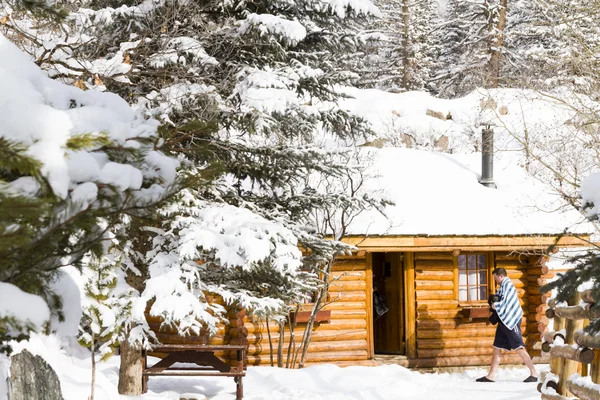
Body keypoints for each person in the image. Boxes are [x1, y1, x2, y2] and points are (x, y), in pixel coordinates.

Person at [476, 268, 539, 383]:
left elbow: (507, 303)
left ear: (500, 276)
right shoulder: (503, 287)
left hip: (511, 321)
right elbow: (500, 300)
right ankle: (490, 376)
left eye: (495, 278)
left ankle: (534, 373)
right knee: (497, 348)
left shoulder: (508, 285)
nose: (495, 280)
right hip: (503, 321)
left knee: (519, 347)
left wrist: (495, 306)